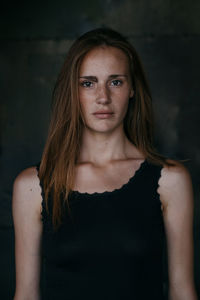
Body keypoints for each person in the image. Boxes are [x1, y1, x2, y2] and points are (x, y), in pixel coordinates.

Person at [12, 28, 198, 300]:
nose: (103, 97)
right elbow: (26, 294)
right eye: (88, 83)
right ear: (72, 92)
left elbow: (182, 292)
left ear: (132, 88)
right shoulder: (32, 186)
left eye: (116, 82)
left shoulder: (170, 180)